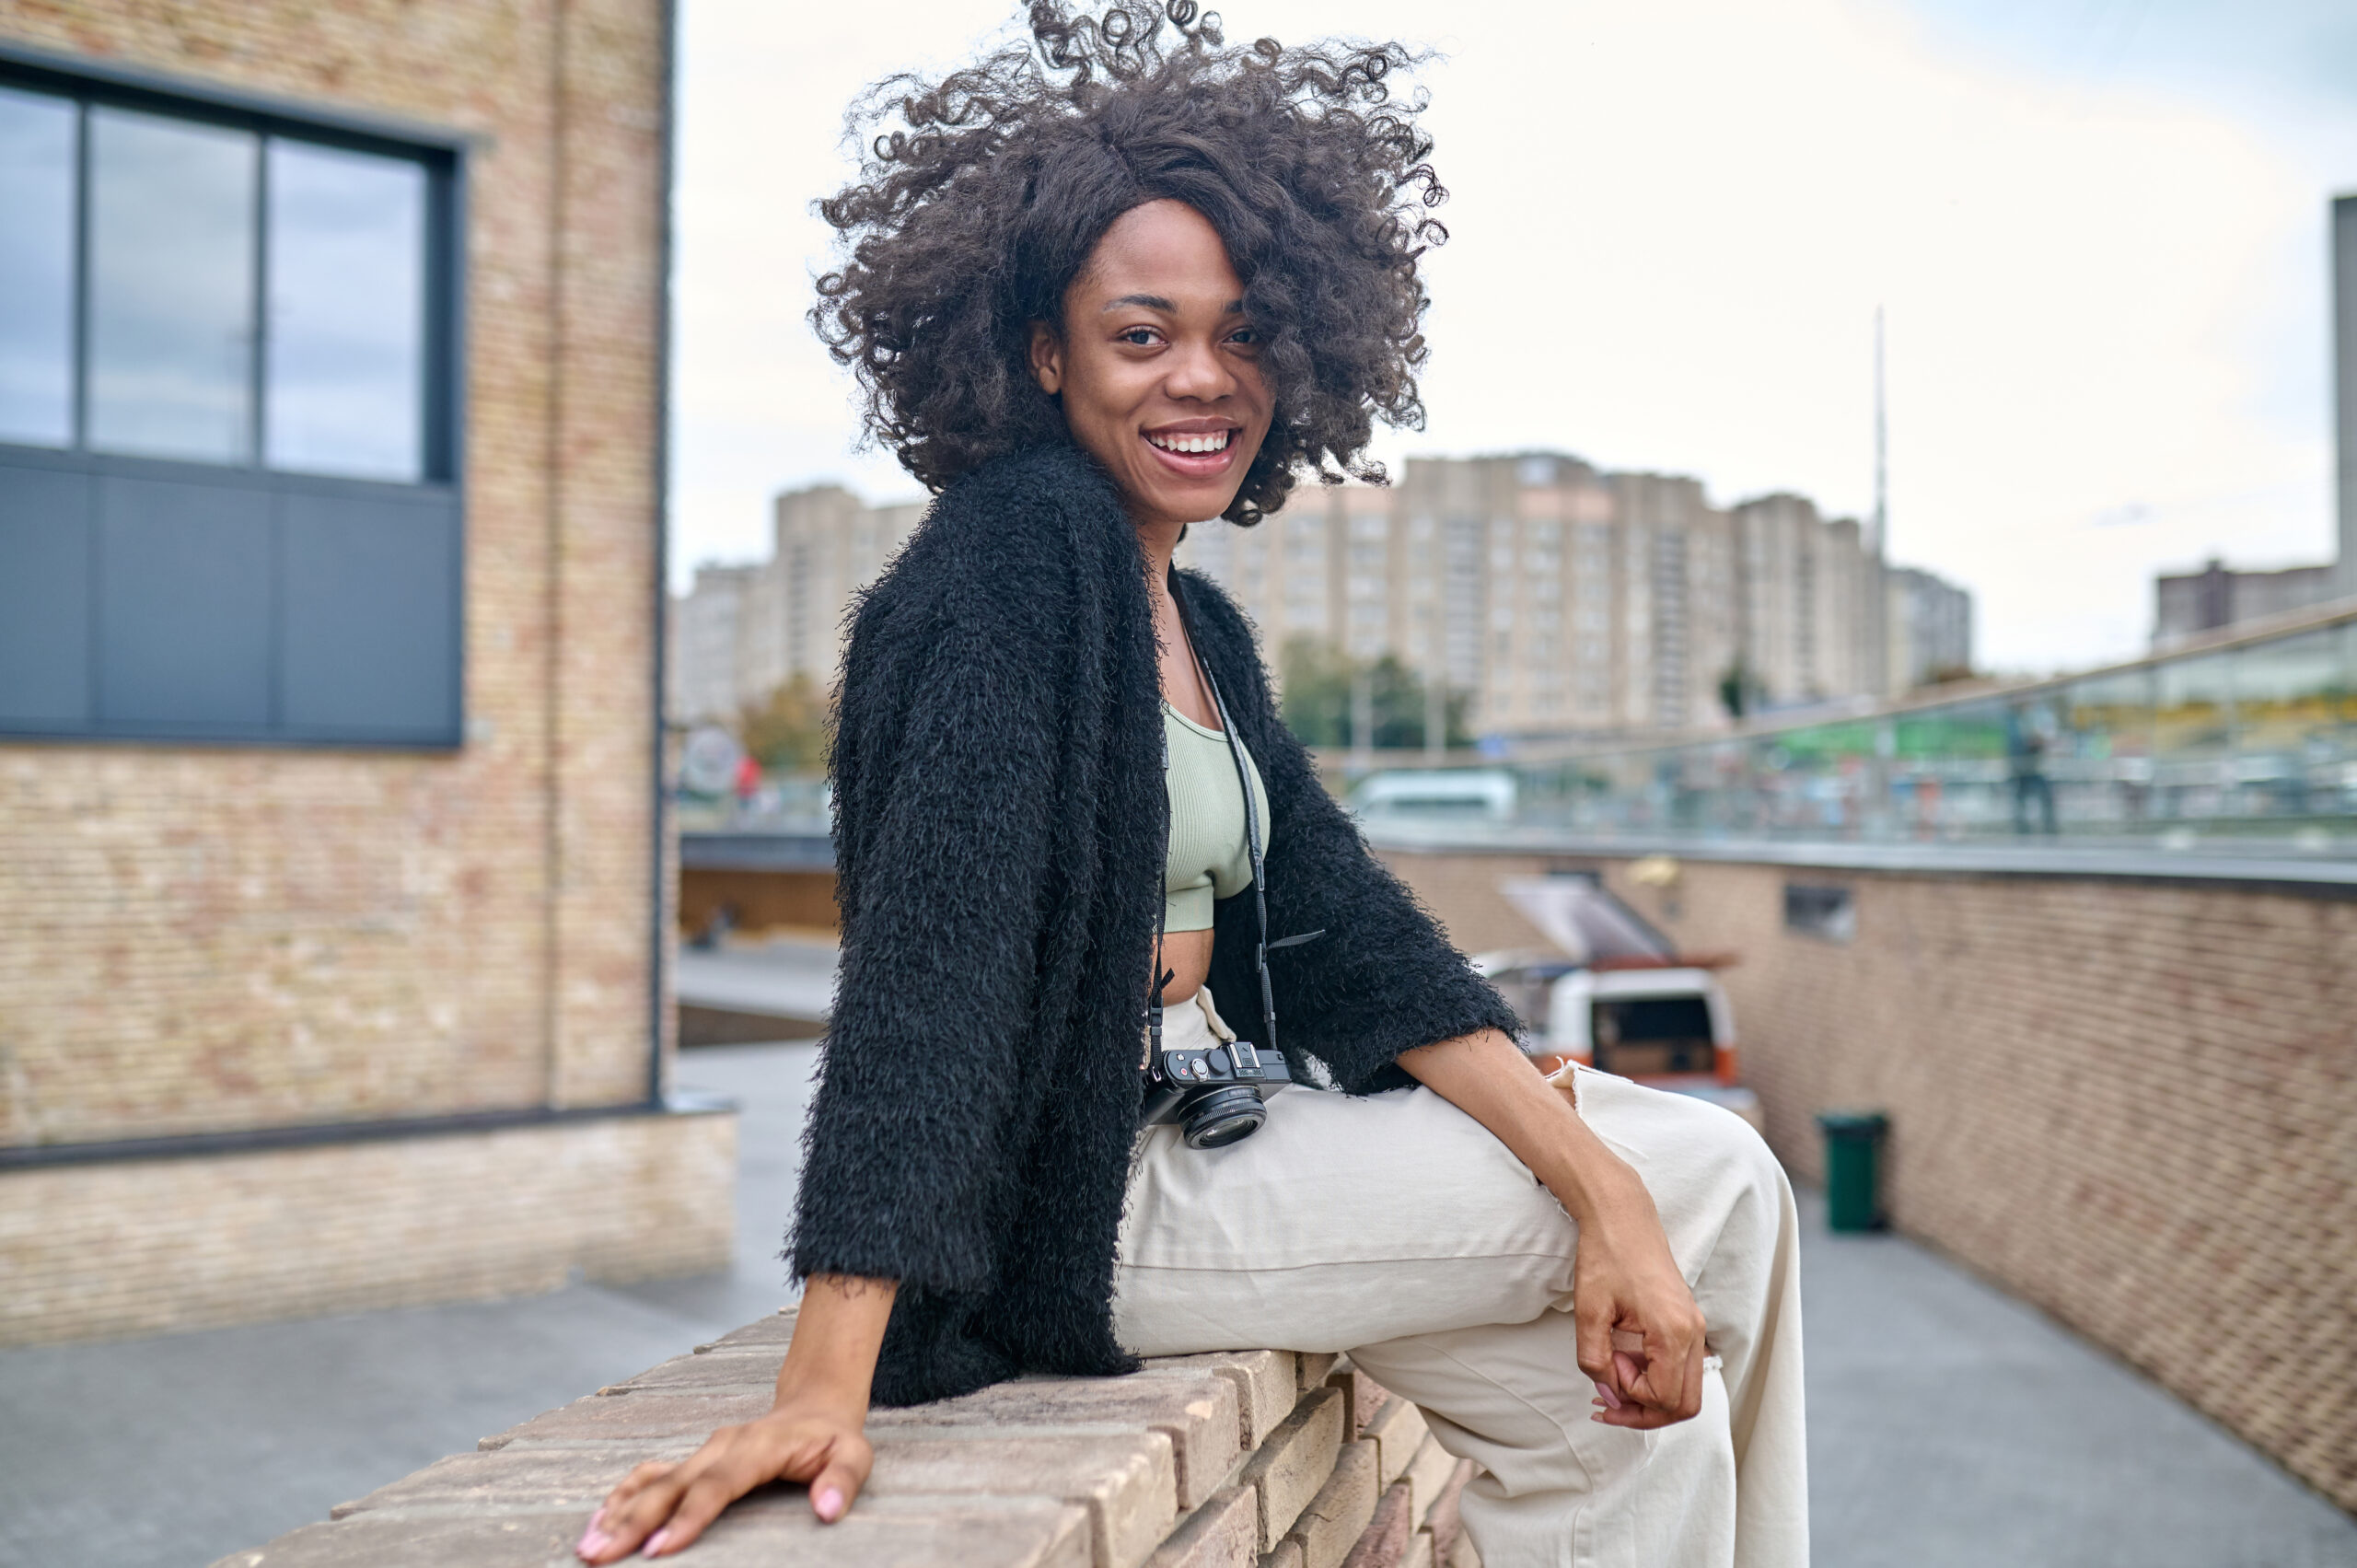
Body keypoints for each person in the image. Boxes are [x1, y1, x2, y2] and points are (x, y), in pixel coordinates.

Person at [578, 6, 1805, 1563]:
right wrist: (829, 1380)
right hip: (1099, 1196)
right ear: (1042, 354)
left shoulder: (1193, 615)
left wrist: (1591, 1181)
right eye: (1142, 335)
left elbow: (1345, 933)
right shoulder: (1016, 561)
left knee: (1622, 1400)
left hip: (1229, 1125)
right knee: (1722, 1176)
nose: (1201, 381)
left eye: (1240, 337)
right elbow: (929, 976)